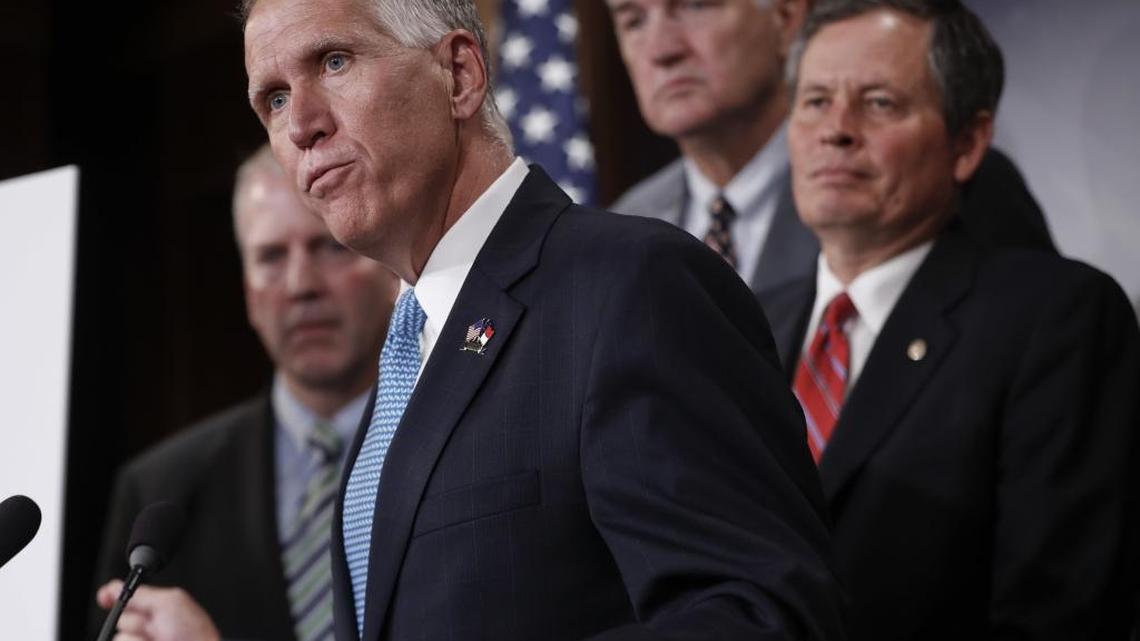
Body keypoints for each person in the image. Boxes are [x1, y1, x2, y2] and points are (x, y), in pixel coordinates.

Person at [239, 0, 848, 640]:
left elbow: (764, 615)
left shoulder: (632, 286)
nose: (302, 124)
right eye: (274, 99)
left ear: (459, 74)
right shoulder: (401, 361)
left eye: (334, 62)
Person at [760, 1, 1140, 639]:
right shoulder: (746, 324)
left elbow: (1061, 612)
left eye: (879, 102)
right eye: (816, 101)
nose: (837, 129)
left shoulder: (1057, 318)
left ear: (967, 144)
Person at [90, 145, 400, 641]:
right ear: (248, 292)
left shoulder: (465, 441)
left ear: (389, 271)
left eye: (330, 246)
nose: (301, 285)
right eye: (271, 257)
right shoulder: (160, 493)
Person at [605, 0, 1053, 301]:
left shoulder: (939, 181)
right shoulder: (625, 222)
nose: (662, 50)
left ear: (785, 16)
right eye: (632, 20)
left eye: (694, 5)